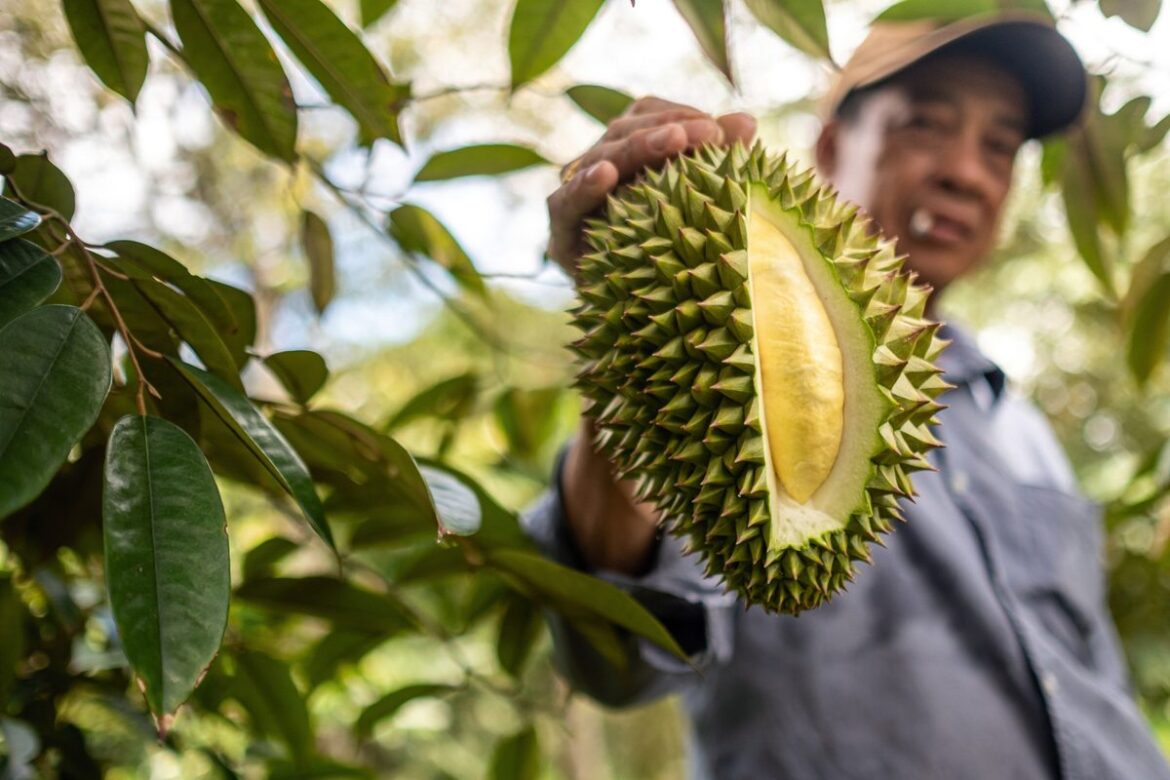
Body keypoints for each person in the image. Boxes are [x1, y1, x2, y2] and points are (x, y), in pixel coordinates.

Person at [524, 10, 1170, 780]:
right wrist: (631, 329)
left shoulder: (1019, 422)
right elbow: (619, 653)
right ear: (832, 147)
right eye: (926, 123)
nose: (968, 170)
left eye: (1000, 145)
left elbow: (1090, 670)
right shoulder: (717, 325)